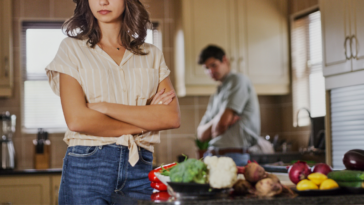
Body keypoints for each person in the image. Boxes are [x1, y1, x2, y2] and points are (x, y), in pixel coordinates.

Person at [45, 0, 180, 204]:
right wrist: (146, 123)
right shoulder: (71, 49)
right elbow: (78, 121)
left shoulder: (152, 54)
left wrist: (105, 107)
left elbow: (171, 117)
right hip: (86, 168)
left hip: (140, 168)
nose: (103, 1)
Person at [197, 45, 260, 166]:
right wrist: (218, 121)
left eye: (213, 65)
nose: (210, 71)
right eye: (206, 68)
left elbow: (222, 124)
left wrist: (220, 123)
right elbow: (200, 135)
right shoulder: (216, 94)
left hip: (234, 157)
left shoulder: (238, 80)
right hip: (212, 156)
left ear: (225, 60)